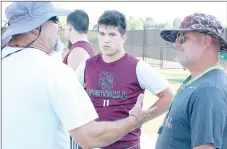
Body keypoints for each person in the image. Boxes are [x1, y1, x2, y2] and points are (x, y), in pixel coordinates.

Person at [2, 2, 159, 149]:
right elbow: (89, 137)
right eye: (55, 20)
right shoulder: (54, 71)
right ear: (36, 28)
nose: (59, 27)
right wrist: (133, 121)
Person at [76, 10, 174, 149]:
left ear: (123, 37)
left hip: (125, 145)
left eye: (112, 34)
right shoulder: (87, 65)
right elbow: (70, 95)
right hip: (92, 144)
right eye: (102, 34)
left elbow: (168, 95)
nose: (106, 39)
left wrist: (139, 120)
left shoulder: (137, 66)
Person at [156, 13, 227, 149]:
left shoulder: (209, 90)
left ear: (206, 42)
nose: (176, 44)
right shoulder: (197, 80)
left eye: (182, 38)